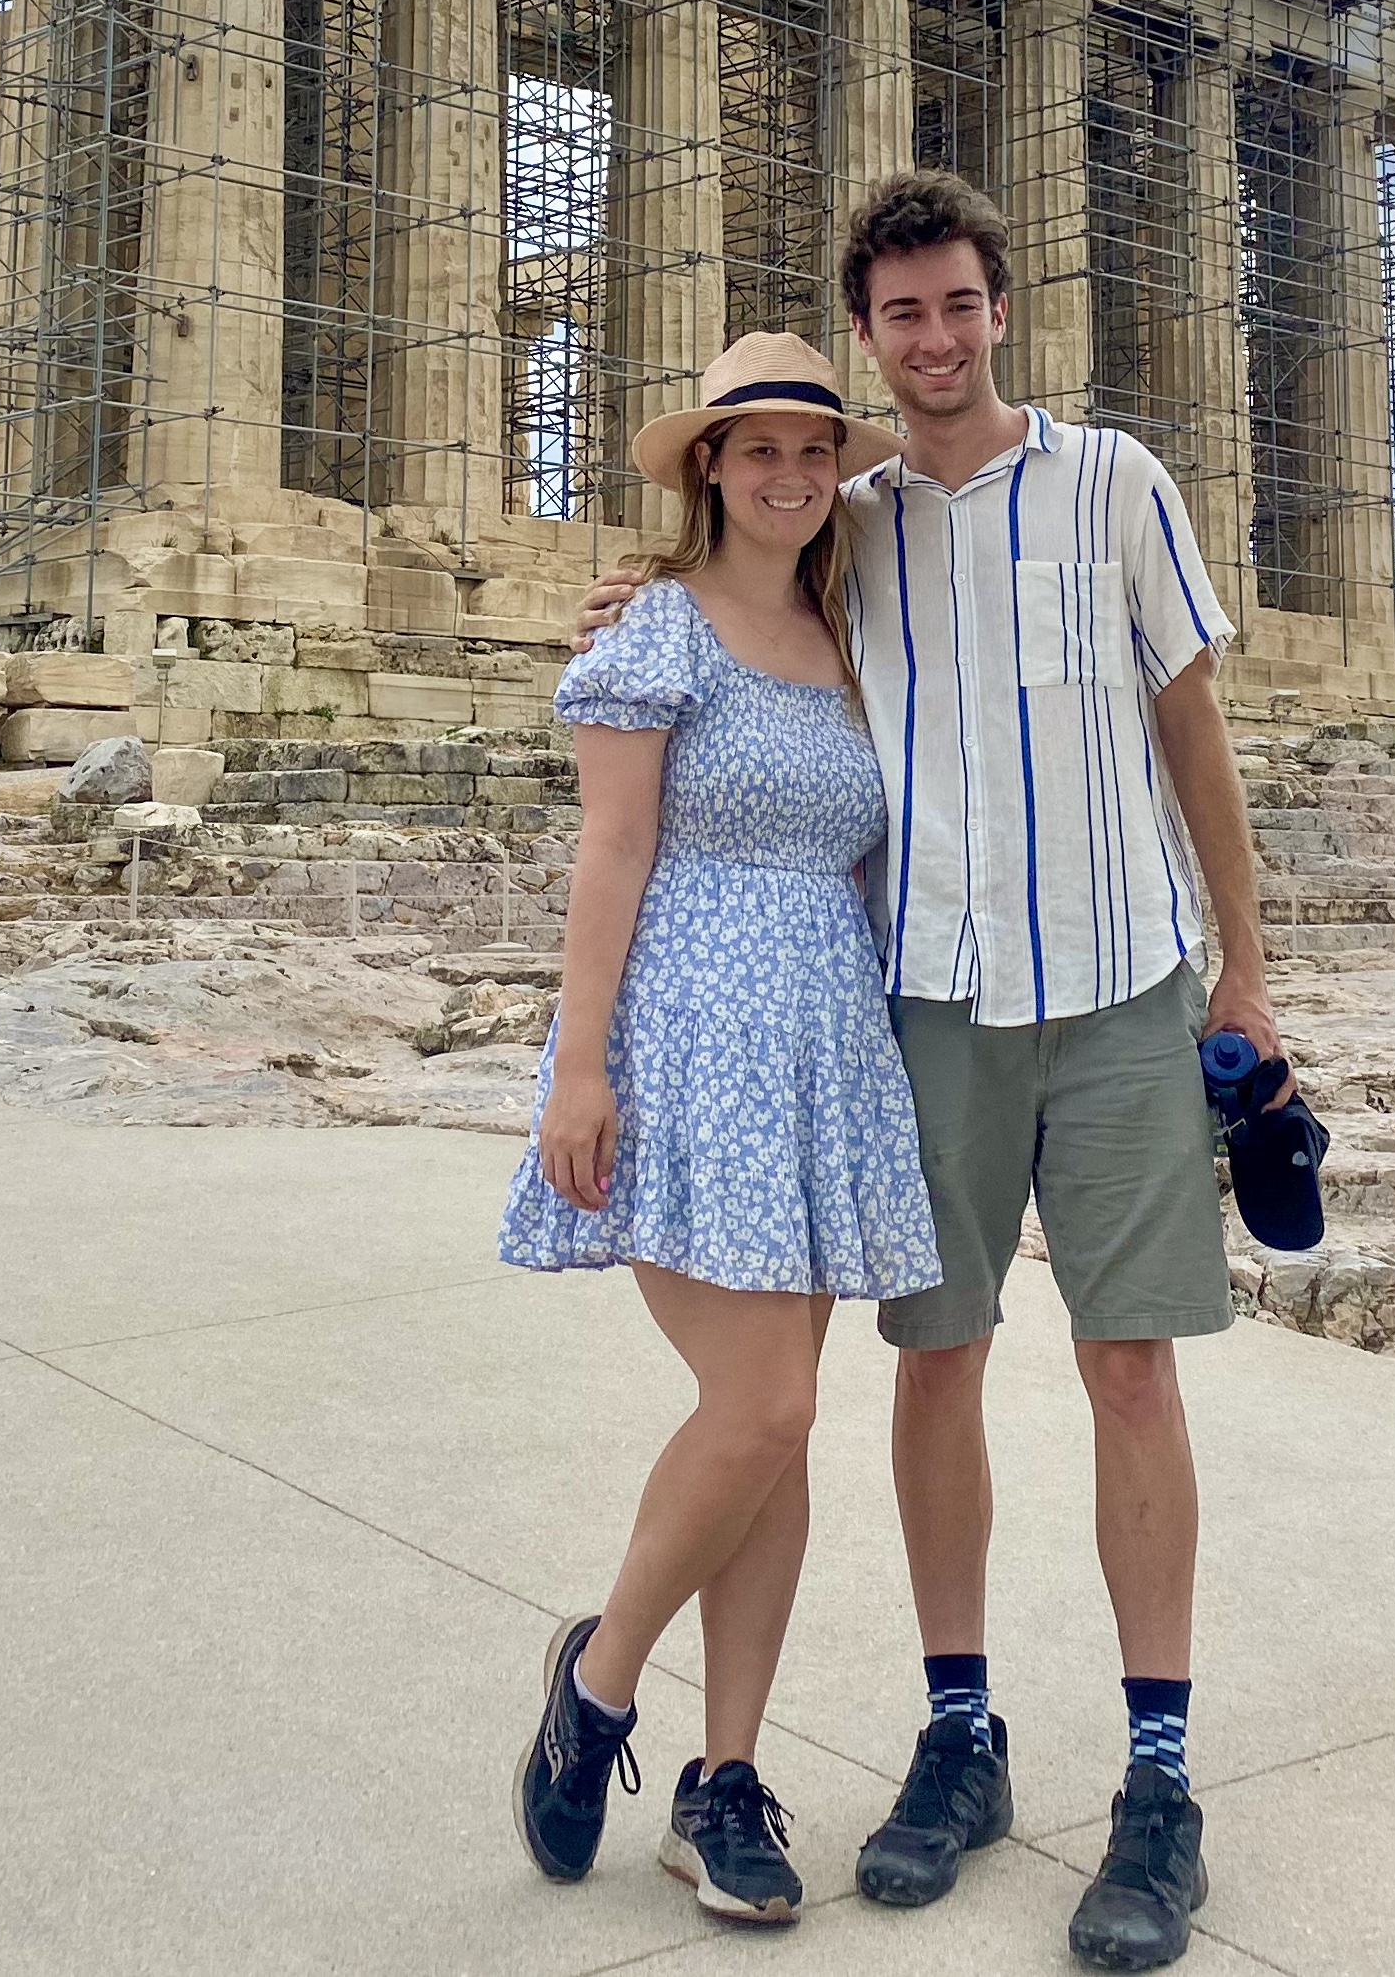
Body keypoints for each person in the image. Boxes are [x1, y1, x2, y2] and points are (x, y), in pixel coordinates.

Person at [575, 170, 1286, 1972]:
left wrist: (1250, 984)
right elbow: (720, 613)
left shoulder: (1114, 480)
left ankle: (1156, 1778)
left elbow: (1189, 730)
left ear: (994, 306)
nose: (935, 336)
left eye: (957, 303)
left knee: (1129, 1367)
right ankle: (956, 1731)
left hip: (1124, 986)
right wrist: (632, 612)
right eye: (900, 315)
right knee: (934, 1361)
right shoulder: (856, 524)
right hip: (934, 1003)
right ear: (873, 335)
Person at [502, 332, 945, 1929]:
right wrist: (577, 1065)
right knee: (755, 1406)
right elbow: (607, 851)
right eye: (754, 449)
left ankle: (725, 1779)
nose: (787, 475)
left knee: (785, 1417)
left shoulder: (853, 633)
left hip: (822, 1044)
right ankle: (601, 1679)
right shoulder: (655, 631)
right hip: (685, 1034)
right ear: (707, 466)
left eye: (813, 453)